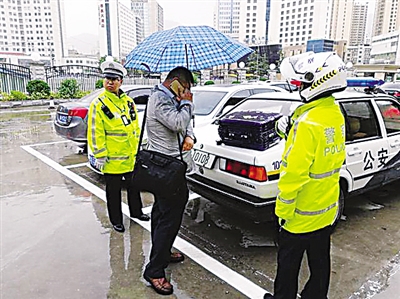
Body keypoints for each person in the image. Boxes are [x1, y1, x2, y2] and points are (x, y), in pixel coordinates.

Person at [264, 52, 347, 299]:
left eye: (303, 82)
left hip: (300, 214)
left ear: (317, 81)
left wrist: (282, 212)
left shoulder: (307, 123)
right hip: (325, 208)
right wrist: (289, 129)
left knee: (288, 265)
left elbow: (294, 175)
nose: (299, 86)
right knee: (320, 261)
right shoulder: (333, 112)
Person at [142, 66, 196, 296]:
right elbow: (177, 123)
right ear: (175, 82)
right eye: (184, 87)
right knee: (169, 220)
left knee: (161, 214)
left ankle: (162, 254)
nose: (185, 92)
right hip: (167, 170)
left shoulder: (170, 99)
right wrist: (188, 102)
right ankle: (155, 271)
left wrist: (191, 135)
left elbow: (186, 126)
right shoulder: (159, 99)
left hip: (172, 168)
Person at [87, 60, 150, 234]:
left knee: (134, 187)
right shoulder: (98, 104)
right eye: (107, 78)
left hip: (130, 156)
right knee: (113, 192)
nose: (110, 82)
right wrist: (99, 155)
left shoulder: (128, 102)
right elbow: (94, 132)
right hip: (112, 159)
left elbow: (134, 127)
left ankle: (136, 213)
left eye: (114, 79)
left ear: (121, 81)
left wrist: (139, 148)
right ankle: (116, 221)